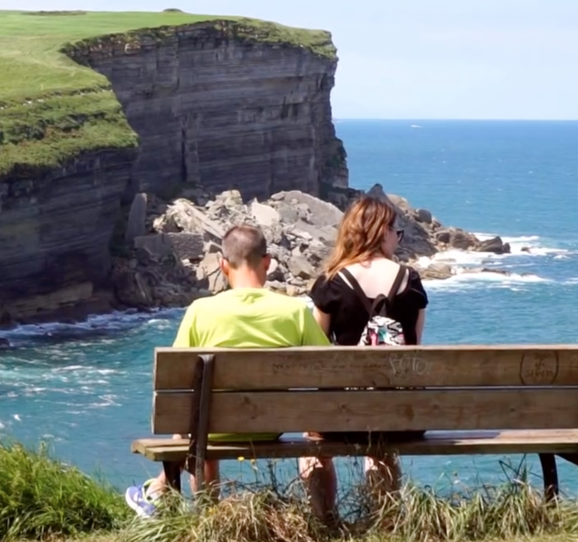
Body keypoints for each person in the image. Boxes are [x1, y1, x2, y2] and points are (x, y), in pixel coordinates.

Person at [125, 223, 332, 518]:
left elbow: (178, 379)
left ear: (223, 265)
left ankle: (204, 514)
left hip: (213, 430)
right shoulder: (295, 311)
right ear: (268, 262)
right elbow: (328, 368)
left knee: (199, 419)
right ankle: (325, 518)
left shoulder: (200, 310)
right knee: (203, 421)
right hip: (271, 427)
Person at [298, 194, 430, 522]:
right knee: (380, 445)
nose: (398, 239)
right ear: (381, 232)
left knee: (312, 448)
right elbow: (413, 348)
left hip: (343, 417)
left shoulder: (331, 282)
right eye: (396, 231)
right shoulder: (411, 281)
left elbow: (317, 355)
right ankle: (385, 525)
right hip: (401, 418)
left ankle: (326, 523)